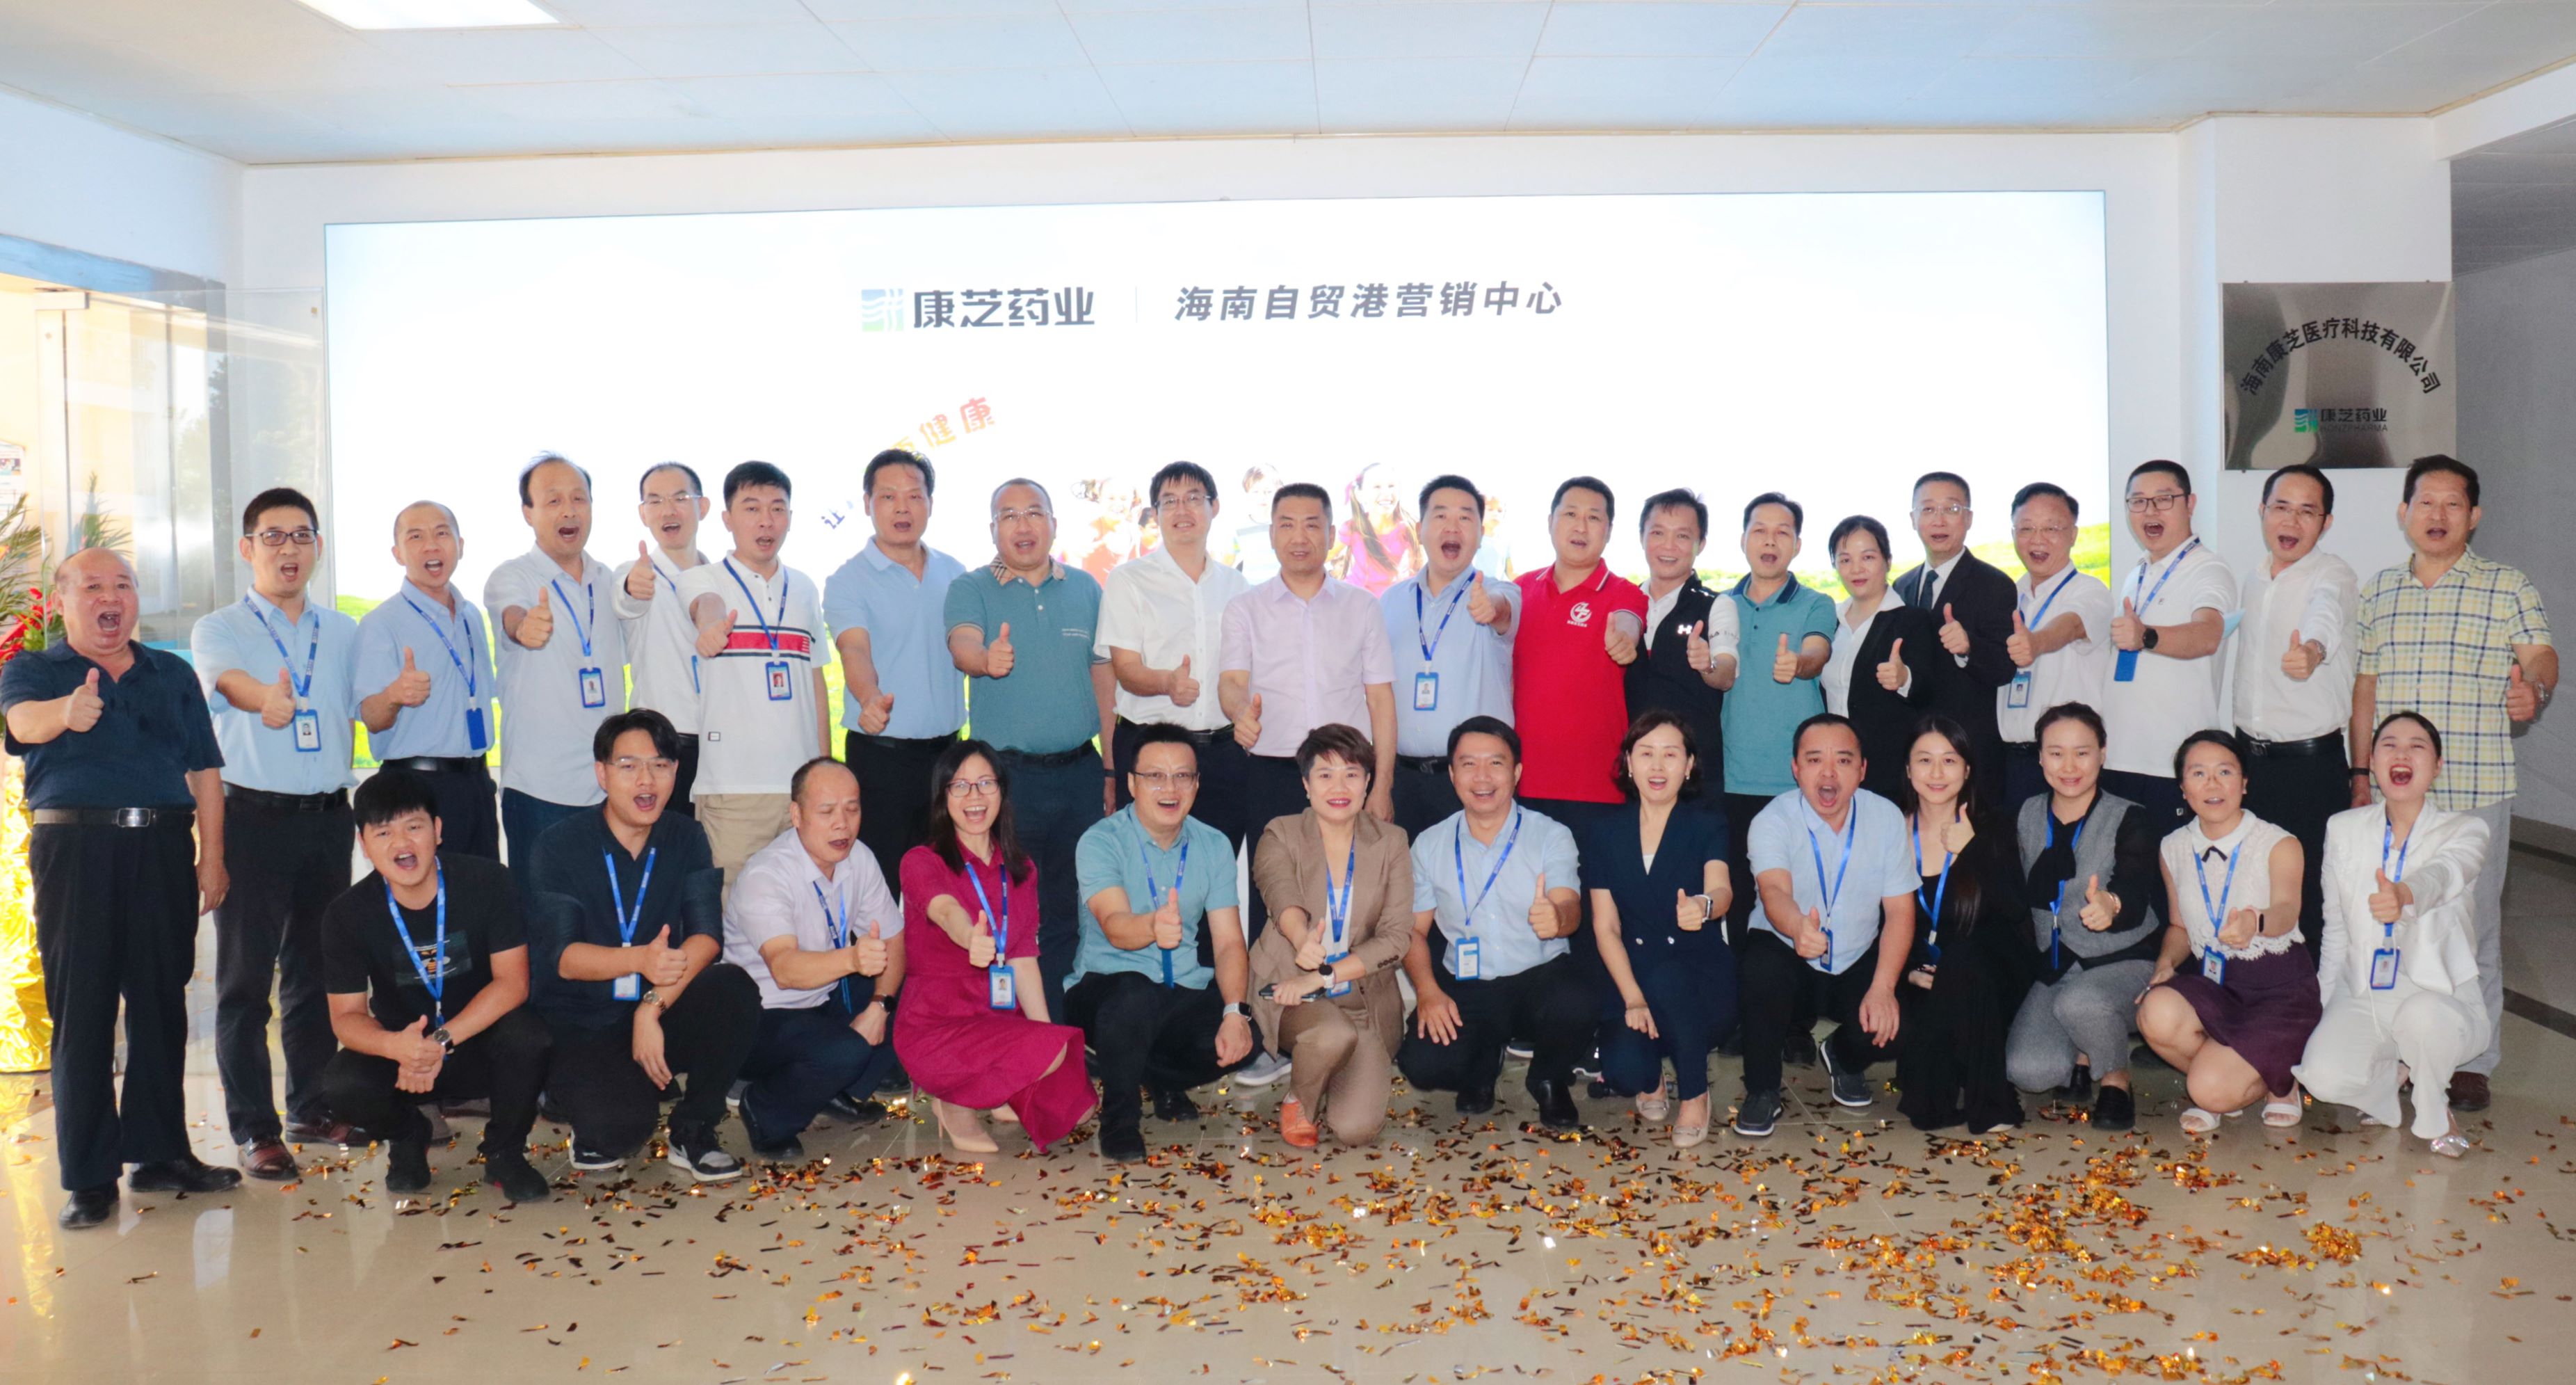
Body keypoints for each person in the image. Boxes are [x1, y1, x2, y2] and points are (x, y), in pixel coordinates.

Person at [3, 547, 236, 1228]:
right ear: (63, 601)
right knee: (83, 1010)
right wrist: (66, 711)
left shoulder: (172, 673)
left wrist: (213, 857)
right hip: (75, 850)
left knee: (162, 1003)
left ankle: (161, 1154)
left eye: (123, 584)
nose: (111, 596)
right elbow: (20, 725)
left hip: (163, 847)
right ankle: (89, 1176)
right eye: (93, 586)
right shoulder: (34, 669)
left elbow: (206, 771)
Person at [2350, 454, 2554, 1114]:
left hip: (2475, 789)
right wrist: (2360, 773)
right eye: (2425, 502)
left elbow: (2540, 655)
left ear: (2474, 516)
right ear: (2404, 512)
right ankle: (2398, 1050)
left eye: (2453, 504)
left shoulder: (2506, 586)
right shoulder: (2379, 591)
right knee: (2390, 924)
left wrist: (2535, 689)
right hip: (2396, 799)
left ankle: (2471, 1060)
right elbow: (2365, 690)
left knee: (2474, 930)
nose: (2437, 515)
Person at [189, 488, 365, 1178]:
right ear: (247, 548)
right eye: (273, 536)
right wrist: (266, 697)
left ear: (317, 545)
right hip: (253, 819)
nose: (288, 548)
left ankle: (311, 1108)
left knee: (315, 972)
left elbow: (364, 706)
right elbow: (228, 683)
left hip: (328, 819)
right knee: (243, 981)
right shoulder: (220, 627)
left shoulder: (343, 631)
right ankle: (255, 1129)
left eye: (301, 535)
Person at [526, 709, 757, 1181]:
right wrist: (639, 960)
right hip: (583, 1018)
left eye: (660, 765)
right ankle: (581, 1100)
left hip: (655, 1005)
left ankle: (693, 1130)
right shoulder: (558, 845)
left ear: (676, 771)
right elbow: (566, 958)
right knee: (618, 1131)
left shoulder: (686, 836)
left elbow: (707, 937)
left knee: (733, 987)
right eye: (629, 766)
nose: (646, 780)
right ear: (602, 773)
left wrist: (651, 1007)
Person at [319, 769, 552, 1204]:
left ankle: (504, 1152)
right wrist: (396, 1047)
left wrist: (440, 1042)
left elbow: (513, 984)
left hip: (478, 1040)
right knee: (343, 1084)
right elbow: (346, 1019)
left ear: (438, 830)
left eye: (414, 827)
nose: (401, 844)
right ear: (363, 844)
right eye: (383, 833)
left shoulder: (489, 882)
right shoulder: (346, 915)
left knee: (530, 1038)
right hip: (404, 1058)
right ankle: (409, 1135)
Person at [946, 478, 1116, 1018]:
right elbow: (962, 645)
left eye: (1034, 512)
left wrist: (1111, 769)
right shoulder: (971, 587)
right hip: (1008, 780)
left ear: (1054, 524)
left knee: (1071, 907)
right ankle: (1008, 1028)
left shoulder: (1086, 588)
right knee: (1008, 907)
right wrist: (984, 659)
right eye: (1009, 515)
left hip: (1080, 774)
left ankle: (1059, 1023)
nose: (1023, 525)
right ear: (993, 529)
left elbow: (1104, 680)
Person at [2294, 712, 2488, 1158]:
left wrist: (2403, 894)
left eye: (2417, 746)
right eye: (2389, 745)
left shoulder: (2466, 830)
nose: (2402, 753)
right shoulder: (2343, 828)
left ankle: (2433, 1105)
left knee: (2423, 1018)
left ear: (2437, 766)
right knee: (2323, 1077)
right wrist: (2320, 1007)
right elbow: (2335, 927)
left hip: (2438, 993)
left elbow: (2445, 874)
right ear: (2373, 762)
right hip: (2367, 990)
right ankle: (2393, 1076)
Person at [1069, 724, 1262, 1161]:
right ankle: (1119, 1120)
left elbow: (1229, 943)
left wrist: (1235, 1012)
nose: (1170, 788)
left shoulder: (1212, 844)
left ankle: (1157, 1078)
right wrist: (1153, 927)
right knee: (1134, 996)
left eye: (1182, 776)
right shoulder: (1100, 841)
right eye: (1155, 776)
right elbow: (1115, 925)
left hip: (1179, 988)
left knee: (1253, 1032)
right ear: (1132, 783)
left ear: (1196, 784)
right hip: (1106, 987)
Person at [896, 739, 1097, 1154]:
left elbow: (1023, 957)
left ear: (1002, 792)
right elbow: (945, 909)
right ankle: (953, 1100)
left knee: (1078, 1108)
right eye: (960, 786)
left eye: (986, 783)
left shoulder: (1021, 869)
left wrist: (1048, 1040)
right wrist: (968, 936)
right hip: (938, 1026)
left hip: (998, 1017)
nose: (975, 796)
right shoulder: (921, 861)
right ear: (943, 796)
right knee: (1047, 1060)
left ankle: (997, 1086)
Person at [1220, 482, 1397, 947]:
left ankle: (1351, 988)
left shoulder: (1363, 607)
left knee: (1354, 896)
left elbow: (1381, 699)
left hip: (1347, 778)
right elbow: (1232, 683)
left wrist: (1381, 786)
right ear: (1271, 534)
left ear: (1332, 534)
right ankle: (1272, 991)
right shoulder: (1244, 608)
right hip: (1272, 774)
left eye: (1312, 525)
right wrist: (1240, 713)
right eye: (1287, 525)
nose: (1299, 537)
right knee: (1274, 894)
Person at [1396, 716, 1587, 1126]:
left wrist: (1557, 917)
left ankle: (1548, 1079)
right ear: (1452, 775)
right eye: (1468, 764)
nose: (1482, 777)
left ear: (1516, 772)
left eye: (1495, 763)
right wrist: (1427, 992)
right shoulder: (1429, 844)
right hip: (1468, 982)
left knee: (1578, 1000)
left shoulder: (1551, 834)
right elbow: (1413, 931)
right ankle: (1481, 1063)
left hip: (1538, 975)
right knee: (1423, 1064)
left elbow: (1570, 906)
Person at [1734, 714, 1915, 1137]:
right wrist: (1798, 926)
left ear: (1863, 769)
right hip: (1789, 951)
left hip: (1856, 954)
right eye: (1815, 760)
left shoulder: (1885, 817)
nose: (1829, 773)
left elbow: (1900, 912)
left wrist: (1883, 987)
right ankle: (1762, 1089)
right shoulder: (1772, 819)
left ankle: (1843, 1056)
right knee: (1760, 971)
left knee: (1899, 1023)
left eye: (1843, 760)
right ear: (1796, 768)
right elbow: (1774, 891)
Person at [723, 758, 905, 1161]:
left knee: (914, 990)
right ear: (797, 816)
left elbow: (894, 937)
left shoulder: (859, 857)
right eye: (827, 812)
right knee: (844, 1050)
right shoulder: (767, 875)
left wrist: (880, 1005)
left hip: (823, 997)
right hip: (762, 1017)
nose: (843, 824)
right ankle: (764, 1108)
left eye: (852, 809)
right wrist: (854, 959)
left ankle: (829, 1089)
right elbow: (785, 970)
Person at [2136, 730, 2318, 1135]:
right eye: (2198, 774)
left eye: (2225, 772)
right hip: (2218, 985)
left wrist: (2255, 922)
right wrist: (2166, 963)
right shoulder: (2173, 847)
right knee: (2156, 1011)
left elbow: (2288, 912)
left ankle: (2280, 1082)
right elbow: (2180, 926)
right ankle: (2231, 1075)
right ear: (2183, 788)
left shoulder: (2278, 842)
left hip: (2278, 988)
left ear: (2244, 783)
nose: (2213, 784)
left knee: (2208, 1092)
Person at [1248, 724, 1414, 1148]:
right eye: (1325, 775)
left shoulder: (1392, 842)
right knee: (1330, 1035)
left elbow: (1397, 938)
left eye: (1352, 774)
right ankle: (1300, 1101)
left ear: (1367, 783)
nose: (1339, 787)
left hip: (1361, 997)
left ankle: (1326, 1066)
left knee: (1356, 1129)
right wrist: (1301, 938)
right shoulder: (1280, 833)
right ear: (1306, 785)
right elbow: (1278, 890)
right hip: (1291, 992)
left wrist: (1323, 975)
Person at [2003, 702, 2163, 1132]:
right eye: (2056, 753)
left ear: (2103, 754)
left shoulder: (2130, 816)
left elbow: (2134, 888)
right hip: (2057, 967)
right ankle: (2082, 1051)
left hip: (2123, 961)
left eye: (2083, 752)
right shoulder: (2026, 814)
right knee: (2029, 1071)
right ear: (2040, 758)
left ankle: (2115, 1077)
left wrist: (2111, 904)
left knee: (2081, 1004)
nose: (2069, 766)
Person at [823, 448, 968, 896]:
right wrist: (869, 697)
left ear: (930, 503)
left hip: (947, 758)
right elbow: (854, 650)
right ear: (868, 503)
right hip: (881, 759)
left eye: (914, 496)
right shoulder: (847, 580)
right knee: (879, 890)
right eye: (888, 497)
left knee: (945, 888)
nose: (902, 508)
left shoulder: (955, 573)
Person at [2231, 463, 2359, 966]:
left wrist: (2311, 649)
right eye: (2281, 507)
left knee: (2309, 894)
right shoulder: (2253, 578)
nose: (2291, 521)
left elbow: (2325, 615)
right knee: (2251, 883)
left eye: (2308, 511)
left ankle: (2313, 1001)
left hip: (2309, 767)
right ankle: (2257, 993)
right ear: (2262, 511)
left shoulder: (2333, 574)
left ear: (2326, 523)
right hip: (2249, 760)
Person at [1586, 712, 1733, 1145]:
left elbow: (1722, 889)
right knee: (1624, 1072)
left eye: (1671, 755)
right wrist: (1632, 997)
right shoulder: (1605, 832)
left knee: (1668, 978)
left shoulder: (1706, 824)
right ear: (1629, 763)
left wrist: (1704, 907)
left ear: (1688, 766)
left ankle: (1695, 1093)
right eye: (1646, 753)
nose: (1657, 766)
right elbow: (1606, 927)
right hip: (1631, 975)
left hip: (1698, 973)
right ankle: (1652, 1078)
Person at [680, 461, 830, 884]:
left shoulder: (804, 588)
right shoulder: (702, 578)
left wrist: (824, 771)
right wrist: (711, 628)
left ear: (790, 518)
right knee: (732, 907)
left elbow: (816, 682)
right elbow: (705, 605)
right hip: (733, 791)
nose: (766, 521)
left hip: (801, 791)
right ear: (727, 519)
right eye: (751, 508)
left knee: (803, 906)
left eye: (777, 508)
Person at [1099, 461, 1255, 852]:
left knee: (1217, 866)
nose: (1181, 510)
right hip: (1152, 751)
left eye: (1193, 499)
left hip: (1222, 755)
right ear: (1155, 513)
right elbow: (1126, 670)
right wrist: (1166, 683)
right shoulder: (1128, 580)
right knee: (1147, 868)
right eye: (1169, 501)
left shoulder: (1237, 586)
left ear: (1214, 507)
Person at [486, 452, 629, 872]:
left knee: (608, 908)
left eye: (579, 498)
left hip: (609, 789)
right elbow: (512, 614)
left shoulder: (609, 581)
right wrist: (524, 626)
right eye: (553, 501)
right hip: (539, 792)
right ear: (528, 513)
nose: (569, 511)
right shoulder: (513, 576)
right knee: (542, 908)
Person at [1889, 717, 2031, 1134]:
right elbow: (1880, 920)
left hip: (1990, 971)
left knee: (1965, 961)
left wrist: (1974, 850)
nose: (1937, 773)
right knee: (1923, 1095)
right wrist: (1908, 970)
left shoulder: (1995, 825)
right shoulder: (1891, 830)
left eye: (1949, 761)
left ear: (1967, 770)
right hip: (1921, 973)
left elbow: (2015, 910)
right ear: (1908, 770)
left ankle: (1992, 1103)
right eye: (1925, 760)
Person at [1718, 493, 1836, 935]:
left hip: (1796, 783)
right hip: (1733, 779)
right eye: (1760, 531)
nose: (1770, 541)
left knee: (1800, 900)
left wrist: (1799, 663)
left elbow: (1817, 653)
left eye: (1782, 532)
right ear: (1743, 540)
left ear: (1798, 545)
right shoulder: (1722, 604)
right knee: (1737, 899)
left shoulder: (1816, 602)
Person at [355, 499, 500, 858]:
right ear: (397, 553)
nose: (432, 546)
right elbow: (371, 718)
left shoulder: (470, 616)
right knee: (427, 894)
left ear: (460, 546)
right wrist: (394, 695)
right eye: (416, 537)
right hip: (415, 790)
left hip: (477, 784)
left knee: (482, 888)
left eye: (441, 534)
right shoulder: (381, 623)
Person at [1380, 474, 1520, 837]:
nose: (1452, 527)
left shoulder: (1502, 592)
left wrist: (1490, 607)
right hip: (1402, 781)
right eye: (1440, 515)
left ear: (1481, 533)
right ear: (1420, 529)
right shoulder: (1390, 602)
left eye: (1465, 517)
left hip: (1474, 785)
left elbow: (1503, 612)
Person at [2100, 460, 2234, 827]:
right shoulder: (2137, 573)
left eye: (2163, 499)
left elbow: (2208, 634)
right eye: (2138, 501)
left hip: (2171, 765)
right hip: (2120, 760)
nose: (2150, 511)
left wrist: (2146, 636)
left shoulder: (2208, 569)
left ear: (2190, 504)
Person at [1511, 476, 1648, 834]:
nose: (1581, 527)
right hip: (1522, 782)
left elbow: (1630, 622)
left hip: (1598, 788)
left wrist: (1625, 640)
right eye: (1570, 514)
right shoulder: (1520, 589)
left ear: (1609, 530)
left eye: (1594, 517)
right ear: (1550, 522)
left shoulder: (1624, 593)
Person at [1895, 472, 2018, 809]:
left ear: (1969, 518)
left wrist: (1968, 648)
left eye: (1951, 509)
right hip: (1916, 755)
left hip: (1970, 753)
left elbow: (2005, 668)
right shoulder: (1901, 587)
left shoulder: (1995, 584)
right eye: (1928, 509)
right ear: (1913, 519)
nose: (1939, 520)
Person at [1996, 484, 2113, 808]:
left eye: (2051, 529)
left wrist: (2036, 642)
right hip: (2011, 761)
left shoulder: (2091, 591)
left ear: (2073, 534)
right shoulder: (2009, 595)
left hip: (2068, 765)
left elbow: (2072, 626)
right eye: (2027, 529)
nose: (2038, 539)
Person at [1625, 488, 1737, 810]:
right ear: (1642, 537)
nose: (1669, 546)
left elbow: (1726, 674)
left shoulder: (1716, 605)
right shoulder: (1624, 604)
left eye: (1683, 536)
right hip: (1632, 773)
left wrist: (1707, 665)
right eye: (1658, 533)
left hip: (1695, 773)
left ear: (1701, 544)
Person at [611, 462, 714, 815]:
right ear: (643, 514)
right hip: (661, 746)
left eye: (680, 498)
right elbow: (626, 599)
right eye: (655, 501)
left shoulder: (723, 578)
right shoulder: (634, 573)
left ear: (703, 507)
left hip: (722, 743)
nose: (668, 510)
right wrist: (634, 587)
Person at [1821, 515, 1940, 801]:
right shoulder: (1829, 621)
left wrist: (1904, 678)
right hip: (1834, 771)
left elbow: (1928, 689)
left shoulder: (1912, 620)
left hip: (1888, 772)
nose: (1856, 569)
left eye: (1868, 557)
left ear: (1887, 561)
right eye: (1845, 560)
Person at [1337, 462, 1422, 593]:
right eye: (1377, 487)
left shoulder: (1410, 528)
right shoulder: (1352, 528)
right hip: (1358, 599)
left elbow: (1425, 569)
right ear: (1360, 495)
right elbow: (1325, 554)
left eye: (1391, 486)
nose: (1386, 493)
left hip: (1395, 600)